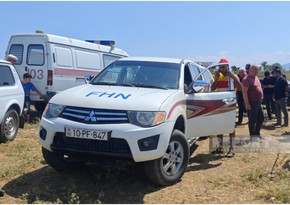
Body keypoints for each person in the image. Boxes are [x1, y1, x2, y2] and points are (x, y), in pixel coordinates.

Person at [211, 58, 242, 157]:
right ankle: (220, 148)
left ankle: (232, 149)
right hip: (220, 104)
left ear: (227, 67)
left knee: (231, 127)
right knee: (219, 126)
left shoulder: (233, 76)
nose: (221, 68)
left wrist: (233, 76)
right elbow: (212, 88)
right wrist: (216, 79)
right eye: (220, 66)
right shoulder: (218, 76)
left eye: (223, 66)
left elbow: (240, 87)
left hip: (230, 104)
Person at [242, 65, 264, 137]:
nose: (257, 71)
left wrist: (261, 95)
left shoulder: (256, 77)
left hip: (258, 102)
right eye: (255, 70)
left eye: (257, 70)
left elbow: (259, 87)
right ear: (250, 70)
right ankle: (252, 135)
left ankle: (257, 133)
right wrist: (247, 103)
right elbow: (244, 92)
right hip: (252, 102)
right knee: (252, 120)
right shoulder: (246, 79)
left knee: (261, 118)